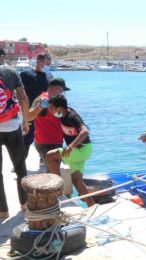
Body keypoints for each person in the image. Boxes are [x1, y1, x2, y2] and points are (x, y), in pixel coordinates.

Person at [45, 94, 95, 207]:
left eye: (51, 108)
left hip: (81, 148)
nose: (50, 111)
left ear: (60, 108)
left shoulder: (72, 116)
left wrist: (70, 146)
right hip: (82, 150)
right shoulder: (63, 113)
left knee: (50, 156)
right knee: (77, 181)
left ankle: (57, 189)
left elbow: (85, 131)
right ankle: (92, 206)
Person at [0, 48, 29, 218]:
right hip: (12, 126)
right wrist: (26, 121)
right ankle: (25, 204)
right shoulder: (10, 71)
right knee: (19, 167)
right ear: (2, 56)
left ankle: (3, 211)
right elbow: (23, 98)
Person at [28, 78, 68, 166]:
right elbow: (29, 117)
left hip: (57, 141)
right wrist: (40, 107)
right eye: (62, 90)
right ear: (55, 87)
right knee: (54, 171)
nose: (63, 92)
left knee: (56, 169)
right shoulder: (41, 100)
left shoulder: (58, 99)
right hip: (45, 142)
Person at [20, 54, 53, 159]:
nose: (48, 66)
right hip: (30, 111)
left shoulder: (49, 75)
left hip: (45, 113)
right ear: (39, 60)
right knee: (27, 137)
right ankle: (21, 162)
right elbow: (20, 94)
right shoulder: (26, 74)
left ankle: (43, 159)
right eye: (46, 63)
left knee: (44, 137)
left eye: (49, 64)